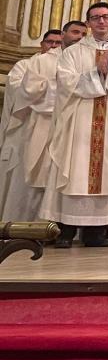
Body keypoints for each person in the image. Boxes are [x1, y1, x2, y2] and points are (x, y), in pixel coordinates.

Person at [39, 2, 108, 247]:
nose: (101, 21)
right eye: (95, 18)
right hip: (81, 121)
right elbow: (66, 83)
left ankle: (97, 233)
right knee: (75, 170)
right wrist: (95, 74)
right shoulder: (74, 52)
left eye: (105, 17)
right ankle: (66, 232)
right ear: (88, 23)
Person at [0, 30, 64, 221]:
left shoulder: (64, 66)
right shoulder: (24, 65)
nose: (53, 46)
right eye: (50, 42)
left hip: (54, 129)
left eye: (57, 43)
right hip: (26, 129)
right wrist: (52, 86)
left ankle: (46, 225)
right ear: (41, 44)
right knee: (22, 179)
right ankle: (15, 221)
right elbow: (18, 90)